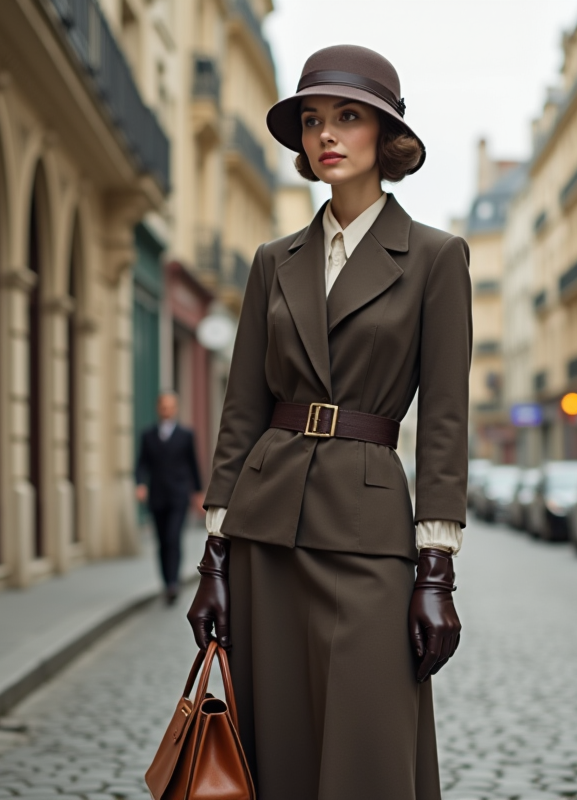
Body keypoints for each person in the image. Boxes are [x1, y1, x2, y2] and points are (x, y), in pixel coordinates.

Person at [185, 45, 471, 799]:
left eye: (348, 117)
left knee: (370, 744)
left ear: (388, 136)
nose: (326, 135)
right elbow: (242, 408)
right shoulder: (272, 261)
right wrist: (215, 558)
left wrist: (436, 569)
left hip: (369, 528)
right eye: (313, 120)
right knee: (275, 742)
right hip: (266, 526)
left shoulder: (437, 259)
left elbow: (444, 417)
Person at [135, 390, 202, 603]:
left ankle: (174, 582)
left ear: (176, 409)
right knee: (162, 541)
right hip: (157, 495)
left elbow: (194, 465)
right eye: (163, 407)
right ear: (158, 409)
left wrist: (198, 493)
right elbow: (141, 463)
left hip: (179, 495)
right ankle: (166, 582)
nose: (167, 410)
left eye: (170, 406)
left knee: (174, 537)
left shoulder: (186, 435)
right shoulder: (148, 435)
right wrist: (140, 484)